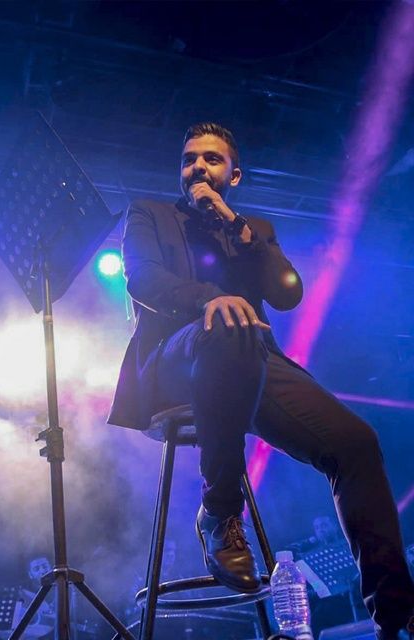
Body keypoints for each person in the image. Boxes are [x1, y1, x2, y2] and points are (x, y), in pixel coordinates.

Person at [108, 122, 414, 639]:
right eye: (189, 159)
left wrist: (237, 227)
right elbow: (142, 277)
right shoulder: (150, 213)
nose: (197, 167)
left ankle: (397, 615)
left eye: (211, 159)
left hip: (251, 358)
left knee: (355, 444)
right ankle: (220, 512)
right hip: (174, 359)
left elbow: (288, 293)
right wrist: (211, 298)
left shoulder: (255, 230)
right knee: (230, 325)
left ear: (234, 175)